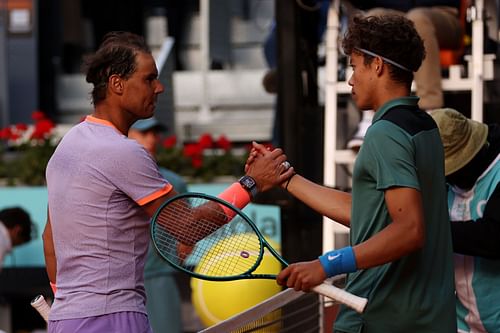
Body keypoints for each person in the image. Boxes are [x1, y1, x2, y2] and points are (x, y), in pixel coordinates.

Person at [42, 31, 293, 333]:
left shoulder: (66, 146)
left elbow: (50, 241)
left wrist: (68, 303)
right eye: (149, 79)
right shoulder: (123, 151)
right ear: (117, 84)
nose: (159, 88)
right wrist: (251, 184)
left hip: (65, 319)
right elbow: (189, 227)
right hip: (113, 318)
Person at [248, 15, 456, 332]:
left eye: (355, 66)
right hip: (426, 318)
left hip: (384, 318)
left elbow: (410, 229)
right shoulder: (424, 126)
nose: (350, 79)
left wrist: (327, 263)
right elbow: (370, 215)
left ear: (378, 66)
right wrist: (286, 178)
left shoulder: (385, 133)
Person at [345, 0, 462, 149]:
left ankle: (431, 116)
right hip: (396, 14)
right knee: (374, 19)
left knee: (418, 18)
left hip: (442, 13)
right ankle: (371, 116)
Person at [430, 108, 500, 333]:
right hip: (464, 323)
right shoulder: (445, 185)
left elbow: (494, 237)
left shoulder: (496, 174)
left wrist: (429, 231)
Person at [128, 117, 186, 333]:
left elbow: (188, 233)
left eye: (154, 133)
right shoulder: (114, 175)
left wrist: (178, 252)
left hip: (159, 278)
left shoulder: (174, 182)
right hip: (121, 282)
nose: (151, 138)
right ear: (128, 135)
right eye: (144, 133)